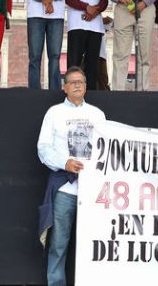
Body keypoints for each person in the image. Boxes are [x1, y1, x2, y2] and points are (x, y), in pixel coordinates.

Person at [37, 66, 106, 286]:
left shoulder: (97, 114)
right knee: (59, 243)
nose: (77, 85)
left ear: (86, 87)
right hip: (65, 188)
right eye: (73, 82)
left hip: (93, 190)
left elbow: (108, 147)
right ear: (64, 87)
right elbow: (43, 148)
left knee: (93, 244)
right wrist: (64, 163)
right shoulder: (54, 113)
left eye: (81, 82)